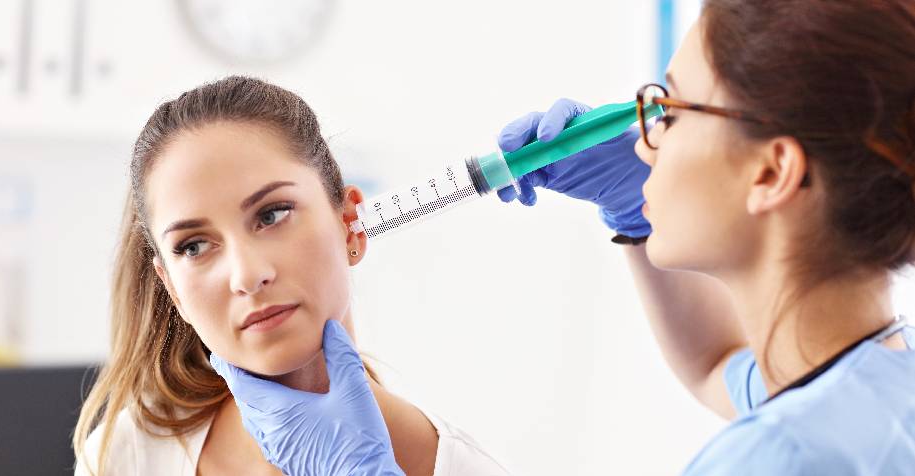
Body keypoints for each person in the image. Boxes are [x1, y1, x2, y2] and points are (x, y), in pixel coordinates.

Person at [209, 0, 915, 474]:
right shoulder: (879, 379)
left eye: (669, 112)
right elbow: (719, 366)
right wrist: (634, 216)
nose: (645, 141)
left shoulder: (778, 458)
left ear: (771, 172)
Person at [72, 76, 510, 476]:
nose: (247, 275)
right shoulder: (126, 457)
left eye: (272, 215)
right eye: (194, 247)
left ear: (349, 224)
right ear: (173, 289)